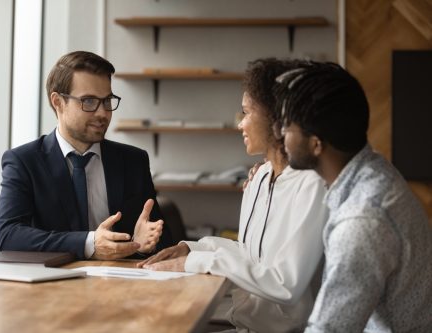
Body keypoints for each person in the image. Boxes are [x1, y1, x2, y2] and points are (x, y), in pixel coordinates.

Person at [138, 59, 329, 332]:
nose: (240, 124)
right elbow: (248, 255)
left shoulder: (312, 184)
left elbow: (285, 284)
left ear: (277, 118)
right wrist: (193, 248)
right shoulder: (259, 177)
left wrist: (197, 262)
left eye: (246, 113)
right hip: (242, 326)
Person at [278, 62, 432, 332]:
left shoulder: (361, 223)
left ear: (316, 144)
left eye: (288, 127)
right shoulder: (376, 170)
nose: (281, 134)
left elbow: (329, 329)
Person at [0, 51, 173, 260]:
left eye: (107, 101)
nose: (103, 113)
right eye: (89, 101)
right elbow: (8, 236)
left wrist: (143, 245)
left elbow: (162, 238)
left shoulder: (133, 161)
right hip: (53, 287)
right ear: (58, 102)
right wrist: (90, 243)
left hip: (121, 284)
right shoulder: (24, 161)